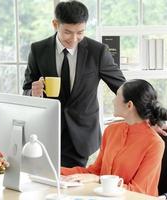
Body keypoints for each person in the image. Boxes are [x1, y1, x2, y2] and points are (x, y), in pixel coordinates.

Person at [22, 0, 126, 167]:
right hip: (48, 133)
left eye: (80, 32)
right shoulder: (38, 50)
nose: (74, 39)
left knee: (73, 185)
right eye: (68, 32)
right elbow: (26, 89)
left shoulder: (97, 52)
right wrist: (33, 92)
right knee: (46, 185)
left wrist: (152, 117)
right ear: (55, 24)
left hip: (82, 136)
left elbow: (123, 87)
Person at [61, 79, 167, 196]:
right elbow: (94, 172)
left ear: (129, 105)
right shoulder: (111, 131)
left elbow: (139, 191)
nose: (113, 101)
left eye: (117, 95)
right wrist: (56, 170)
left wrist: (99, 180)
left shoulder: (155, 144)